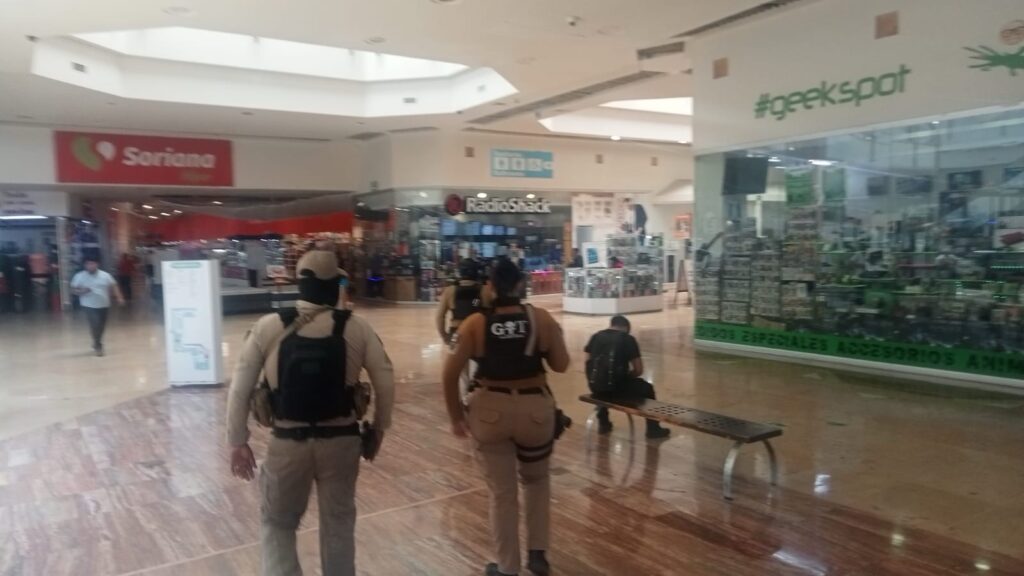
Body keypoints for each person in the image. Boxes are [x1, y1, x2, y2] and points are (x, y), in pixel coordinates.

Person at [226, 251, 395, 576]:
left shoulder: (267, 327)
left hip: (287, 443)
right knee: (338, 523)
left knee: (277, 523)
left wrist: (237, 440)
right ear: (334, 285)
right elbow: (385, 380)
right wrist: (378, 429)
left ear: (300, 285)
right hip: (341, 441)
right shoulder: (356, 328)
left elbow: (240, 388)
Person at [443, 257, 570, 576]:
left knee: (502, 493)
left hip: (490, 414)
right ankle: (538, 554)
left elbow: (449, 374)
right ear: (520, 285)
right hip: (535, 412)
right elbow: (561, 364)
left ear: (490, 287)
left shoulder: (475, 324)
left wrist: (456, 417)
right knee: (537, 481)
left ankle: (507, 567)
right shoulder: (540, 318)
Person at [584, 315, 670, 439]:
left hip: (595, 387)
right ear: (626, 328)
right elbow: (639, 370)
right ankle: (653, 428)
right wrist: (626, 377)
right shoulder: (628, 339)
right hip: (617, 389)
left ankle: (603, 422)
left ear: (612, 324)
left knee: (602, 386)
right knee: (647, 388)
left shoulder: (595, 337)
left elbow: (587, 363)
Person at [70, 257, 124, 356]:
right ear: (85, 265)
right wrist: (82, 291)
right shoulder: (80, 276)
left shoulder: (105, 275)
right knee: (95, 324)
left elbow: (113, 285)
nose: (90, 266)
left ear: (97, 264)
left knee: (101, 326)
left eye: (92, 264)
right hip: (88, 305)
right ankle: (99, 345)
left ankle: (96, 341)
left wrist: (119, 297)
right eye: (88, 264)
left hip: (104, 304)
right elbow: (73, 290)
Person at [436, 258, 490, 342]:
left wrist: (445, 337)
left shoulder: (449, 291)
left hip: (456, 333)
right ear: (477, 272)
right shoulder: (485, 290)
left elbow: (439, 317)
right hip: (478, 334)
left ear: (460, 273)